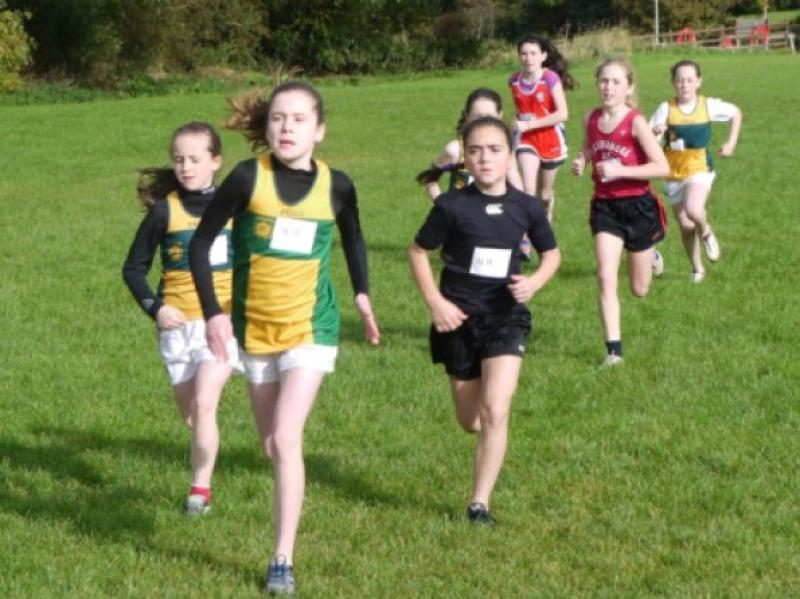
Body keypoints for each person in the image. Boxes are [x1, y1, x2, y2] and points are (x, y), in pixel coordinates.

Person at [188, 81, 380, 596]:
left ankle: (281, 559)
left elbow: (354, 238)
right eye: (277, 118)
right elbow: (201, 244)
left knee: (288, 436)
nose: (286, 127)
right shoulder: (248, 177)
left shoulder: (337, 186)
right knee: (272, 444)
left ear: (319, 130)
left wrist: (362, 294)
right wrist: (213, 314)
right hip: (255, 329)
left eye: (298, 119)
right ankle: (283, 509)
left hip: (312, 327)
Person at [408, 116, 560, 526]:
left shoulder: (527, 207)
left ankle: (479, 503)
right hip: (457, 320)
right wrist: (435, 302)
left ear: (510, 156)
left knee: (496, 408)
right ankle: (485, 438)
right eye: (475, 151)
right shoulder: (451, 205)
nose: (485, 158)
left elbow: (552, 254)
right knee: (470, 420)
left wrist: (534, 283)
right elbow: (418, 252)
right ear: (465, 159)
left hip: (504, 317)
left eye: (494, 150)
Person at [122, 121, 240, 516]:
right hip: (177, 330)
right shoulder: (164, 212)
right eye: (179, 159)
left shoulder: (235, 207)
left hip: (220, 323)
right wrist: (156, 308)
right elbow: (133, 269)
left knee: (205, 403)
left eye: (195, 159)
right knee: (193, 416)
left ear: (216, 161)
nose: (186, 167)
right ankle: (207, 447)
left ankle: (199, 492)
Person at [571, 58, 670, 366]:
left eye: (616, 82)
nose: (608, 87)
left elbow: (662, 167)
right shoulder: (590, 118)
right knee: (605, 276)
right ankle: (614, 352)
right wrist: (582, 160)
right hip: (606, 207)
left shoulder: (636, 122)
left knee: (639, 289)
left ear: (629, 87)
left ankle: (650, 255)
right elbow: (590, 147)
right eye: (604, 81)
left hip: (638, 206)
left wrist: (621, 170)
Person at [649, 59, 742, 282]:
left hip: (700, 167)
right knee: (686, 226)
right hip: (673, 172)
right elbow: (649, 140)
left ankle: (706, 231)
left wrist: (731, 143)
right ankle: (697, 269)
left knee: (693, 208)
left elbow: (736, 113)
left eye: (690, 80)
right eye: (680, 80)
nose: (685, 85)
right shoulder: (666, 108)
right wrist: (656, 131)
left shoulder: (707, 105)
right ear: (673, 83)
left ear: (698, 82)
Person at [509, 35, 574, 221]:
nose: (528, 58)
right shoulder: (514, 81)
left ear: (543, 56)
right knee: (528, 190)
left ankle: (547, 209)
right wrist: (515, 125)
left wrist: (530, 124)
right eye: (524, 54)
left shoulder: (550, 79)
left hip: (550, 139)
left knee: (543, 194)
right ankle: (527, 233)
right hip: (526, 139)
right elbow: (520, 111)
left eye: (533, 53)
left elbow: (563, 114)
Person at [416, 87, 523, 200]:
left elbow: (519, 191)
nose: (483, 123)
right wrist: (443, 205)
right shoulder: (456, 150)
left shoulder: (504, 150)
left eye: (490, 117)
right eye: (478, 117)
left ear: (499, 116)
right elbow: (430, 178)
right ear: (467, 116)